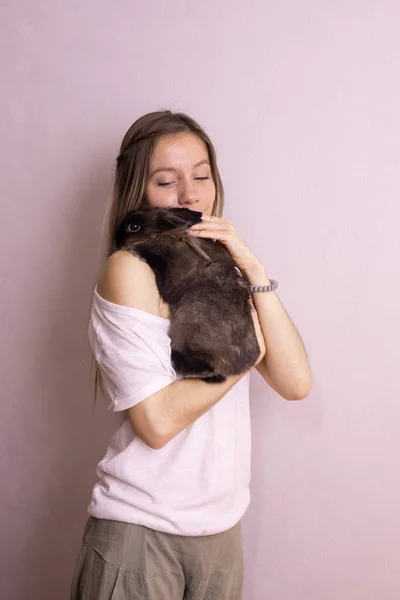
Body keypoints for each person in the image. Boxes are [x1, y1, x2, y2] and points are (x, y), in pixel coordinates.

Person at [70, 110, 312, 600]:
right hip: (142, 533)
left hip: (221, 534)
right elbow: (155, 423)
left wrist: (251, 264)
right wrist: (245, 356)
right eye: (166, 181)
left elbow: (294, 382)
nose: (190, 195)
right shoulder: (129, 269)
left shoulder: (221, 266)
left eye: (201, 176)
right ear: (139, 190)